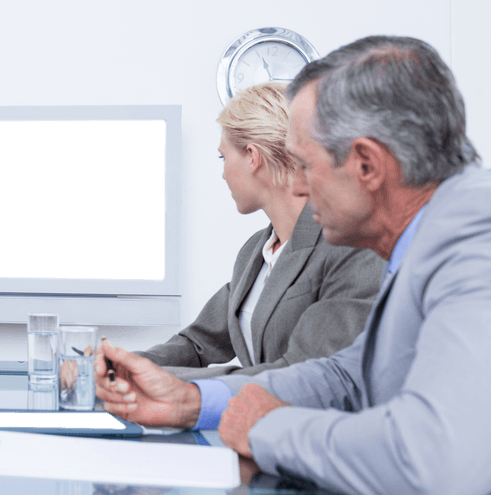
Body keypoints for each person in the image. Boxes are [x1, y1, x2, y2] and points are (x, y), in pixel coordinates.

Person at [95, 35, 491, 495]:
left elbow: (431, 464)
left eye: (306, 165)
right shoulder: (425, 239)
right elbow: (347, 375)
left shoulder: (478, 242)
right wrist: (192, 402)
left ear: (367, 164)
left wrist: (267, 430)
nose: (299, 185)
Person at [137, 82, 381, 380]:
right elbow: (199, 344)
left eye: (223, 157)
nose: (223, 173)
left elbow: (304, 373)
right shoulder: (256, 251)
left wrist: (177, 385)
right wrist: (122, 366)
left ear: (253, 156)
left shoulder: (350, 248)